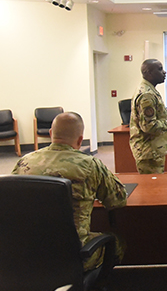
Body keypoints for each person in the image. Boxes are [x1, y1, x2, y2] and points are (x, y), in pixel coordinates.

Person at [11, 112, 127, 271]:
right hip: (74, 254)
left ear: (51, 134)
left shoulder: (25, 161)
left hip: (28, 251)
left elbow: (10, 198)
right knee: (117, 241)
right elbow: (118, 200)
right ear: (80, 140)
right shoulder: (90, 164)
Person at [129, 59, 167, 174]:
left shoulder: (149, 90)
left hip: (152, 150)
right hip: (149, 152)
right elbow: (148, 126)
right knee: (152, 189)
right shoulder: (147, 94)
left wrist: (164, 118)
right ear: (148, 73)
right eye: (160, 69)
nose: (164, 72)